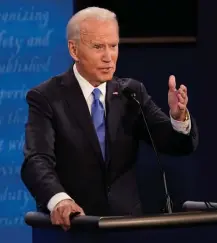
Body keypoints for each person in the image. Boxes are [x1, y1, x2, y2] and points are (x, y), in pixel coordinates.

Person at [21, 7, 198, 231]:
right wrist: (60, 200)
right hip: (74, 228)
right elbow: (36, 160)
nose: (108, 57)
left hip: (125, 228)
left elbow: (175, 144)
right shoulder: (46, 97)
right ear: (74, 50)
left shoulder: (131, 93)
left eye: (113, 46)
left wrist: (178, 117)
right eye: (98, 47)